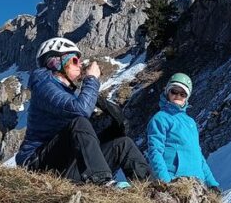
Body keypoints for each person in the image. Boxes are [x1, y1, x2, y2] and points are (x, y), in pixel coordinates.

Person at [16, 37, 151, 185]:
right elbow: (80, 112)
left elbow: (84, 136)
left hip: (64, 163)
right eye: (75, 60)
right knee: (79, 122)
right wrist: (92, 78)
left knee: (122, 144)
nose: (80, 64)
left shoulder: (67, 93)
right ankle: (101, 182)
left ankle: (149, 188)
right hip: (37, 164)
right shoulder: (43, 83)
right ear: (54, 62)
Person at [146, 73, 220, 191]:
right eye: (174, 91)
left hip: (198, 184)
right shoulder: (160, 118)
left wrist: (211, 183)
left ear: (187, 97)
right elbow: (155, 151)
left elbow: (198, 154)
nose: (178, 96)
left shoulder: (190, 122)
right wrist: (165, 181)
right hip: (175, 180)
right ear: (167, 92)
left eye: (182, 93)